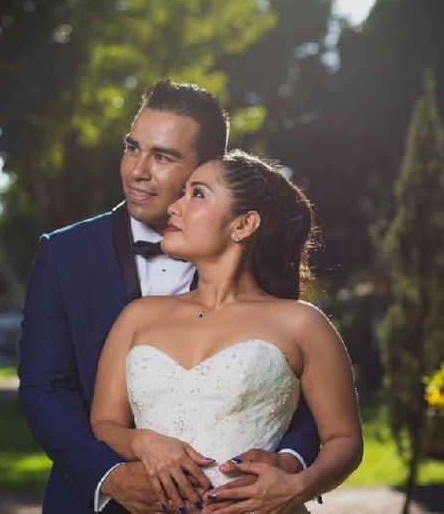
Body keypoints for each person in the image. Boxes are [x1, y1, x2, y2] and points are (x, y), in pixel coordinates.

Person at [19, 80, 322, 513]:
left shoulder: (257, 267)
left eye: (163, 156)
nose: (137, 170)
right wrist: (114, 477)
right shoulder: (62, 255)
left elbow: (303, 394)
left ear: (209, 166)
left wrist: (287, 466)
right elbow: (43, 387)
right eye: (132, 147)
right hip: (91, 500)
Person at [90, 152, 363, 514]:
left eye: (197, 194)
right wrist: (141, 442)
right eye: (182, 193)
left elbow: (345, 440)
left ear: (244, 224)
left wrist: (296, 487)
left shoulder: (302, 324)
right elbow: (104, 423)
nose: (175, 206)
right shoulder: (137, 317)